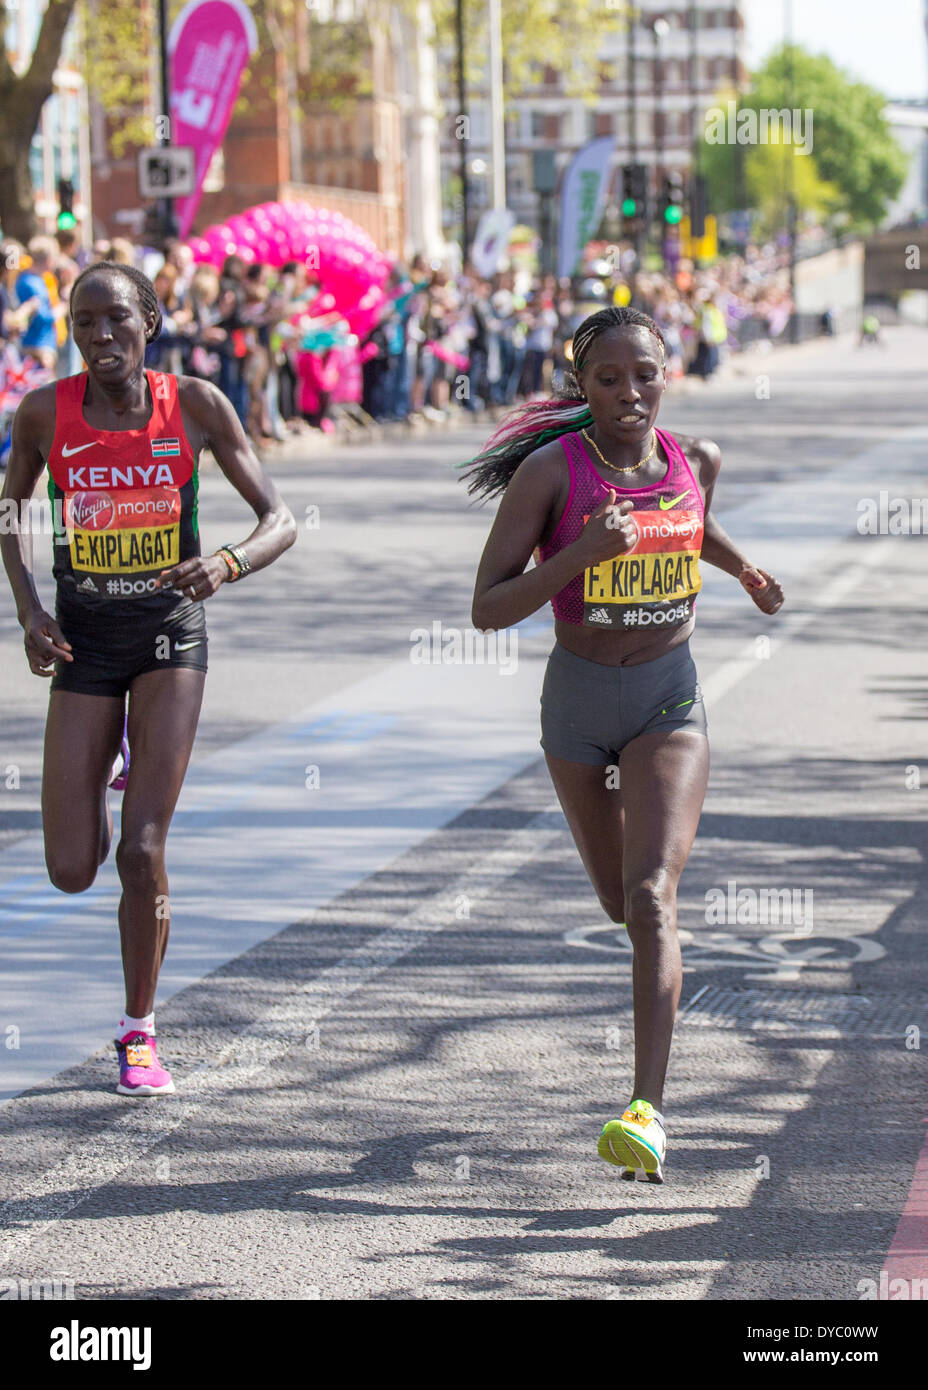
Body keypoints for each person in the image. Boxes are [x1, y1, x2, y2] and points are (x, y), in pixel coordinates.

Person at [463, 305, 783, 1182]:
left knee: (650, 900)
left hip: (666, 697)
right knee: (616, 902)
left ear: (666, 373)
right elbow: (486, 608)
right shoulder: (551, 474)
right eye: (609, 379)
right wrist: (576, 558)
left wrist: (743, 567)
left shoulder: (697, 459)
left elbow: (690, 520)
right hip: (574, 705)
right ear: (583, 385)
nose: (629, 393)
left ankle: (646, 1109)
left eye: (644, 375)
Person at [0, 260, 296, 1097]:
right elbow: (10, 509)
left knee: (143, 849)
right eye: (84, 322)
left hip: (170, 637)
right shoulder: (42, 414)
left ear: (151, 322)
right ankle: (102, 762)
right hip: (84, 641)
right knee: (68, 867)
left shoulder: (196, 406)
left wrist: (228, 563)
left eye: (117, 320)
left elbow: (279, 521)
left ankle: (138, 1032)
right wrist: (28, 610)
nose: (101, 337)